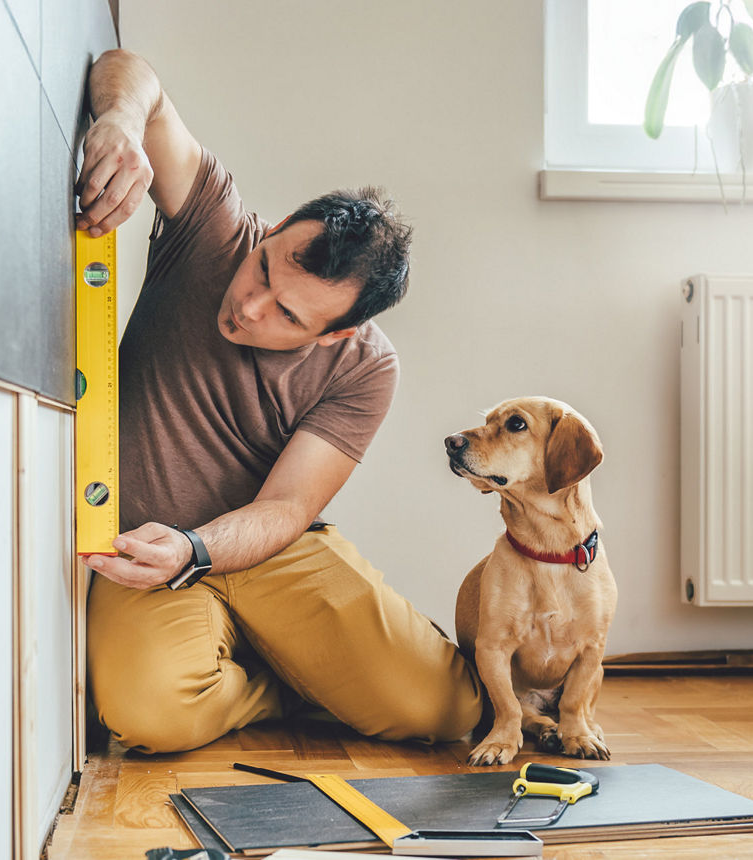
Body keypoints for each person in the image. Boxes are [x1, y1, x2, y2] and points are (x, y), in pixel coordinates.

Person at [76, 49, 482, 754]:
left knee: (445, 710)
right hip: (141, 545)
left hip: (261, 545)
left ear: (338, 334)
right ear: (275, 229)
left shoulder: (366, 368)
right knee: (150, 717)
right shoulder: (214, 231)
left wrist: (198, 548)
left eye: (288, 316)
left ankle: (299, 665)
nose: (249, 307)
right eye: (265, 267)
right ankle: (286, 682)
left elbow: (288, 508)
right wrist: (119, 118)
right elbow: (132, 71)